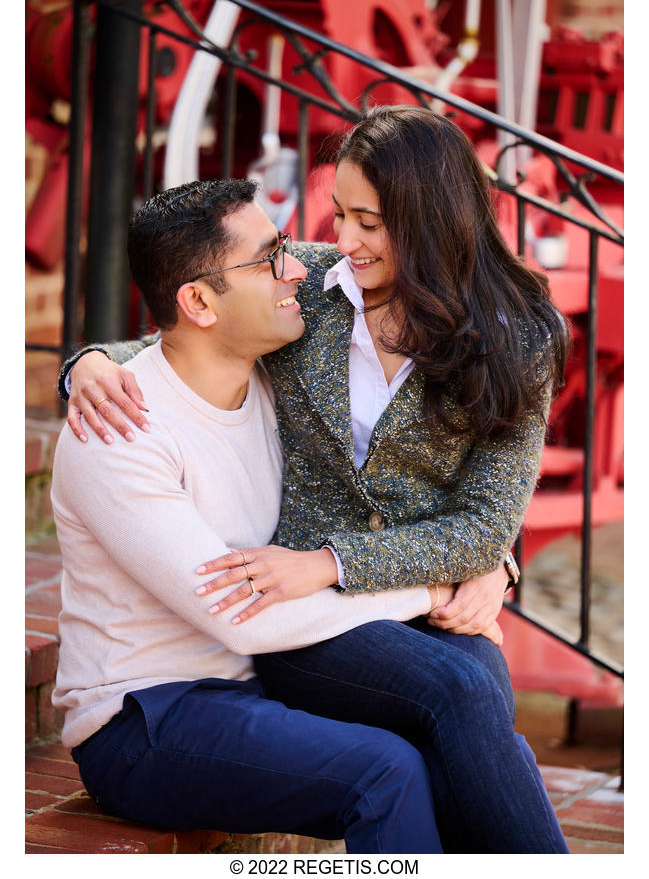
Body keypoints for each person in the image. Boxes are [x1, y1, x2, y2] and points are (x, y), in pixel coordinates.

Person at [59, 107, 570, 853]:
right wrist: (87, 363)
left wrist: (489, 563)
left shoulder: (516, 338)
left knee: (481, 703)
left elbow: (487, 519)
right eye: (340, 214)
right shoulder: (314, 294)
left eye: (370, 221)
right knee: (451, 712)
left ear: (431, 221)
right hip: (287, 618)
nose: (338, 243)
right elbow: (180, 328)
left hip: (376, 599)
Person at [51, 177, 455, 853]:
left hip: (258, 684)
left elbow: (397, 495)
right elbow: (242, 614)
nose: (296, 268)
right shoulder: (120, 430)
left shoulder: (277, 387)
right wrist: (428, 590)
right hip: (145, 719)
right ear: (200, 302)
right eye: (270, 257)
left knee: (466, 742)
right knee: (386, 773)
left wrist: (485, 566)